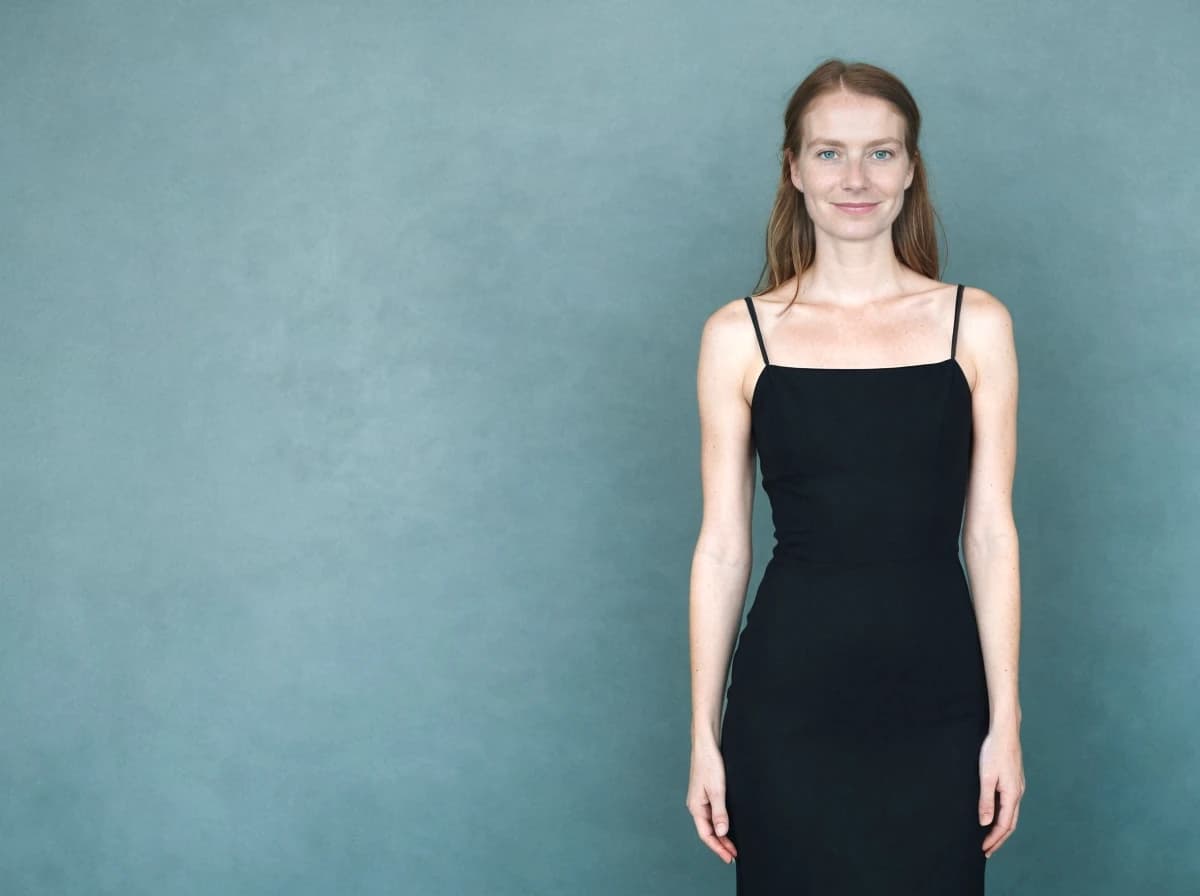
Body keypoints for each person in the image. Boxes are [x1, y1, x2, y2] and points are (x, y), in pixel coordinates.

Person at [685, 59, 1025, 894]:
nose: (856, 177)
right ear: (794, 171)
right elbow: (723, 549)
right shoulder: (738, 335)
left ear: (910, 169)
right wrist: (702, 733)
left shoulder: (975, 324)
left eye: (881, 153)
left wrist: (1007, 721)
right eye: (830, 153)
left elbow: (990, 535)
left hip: (940, 701)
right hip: (787, 706)